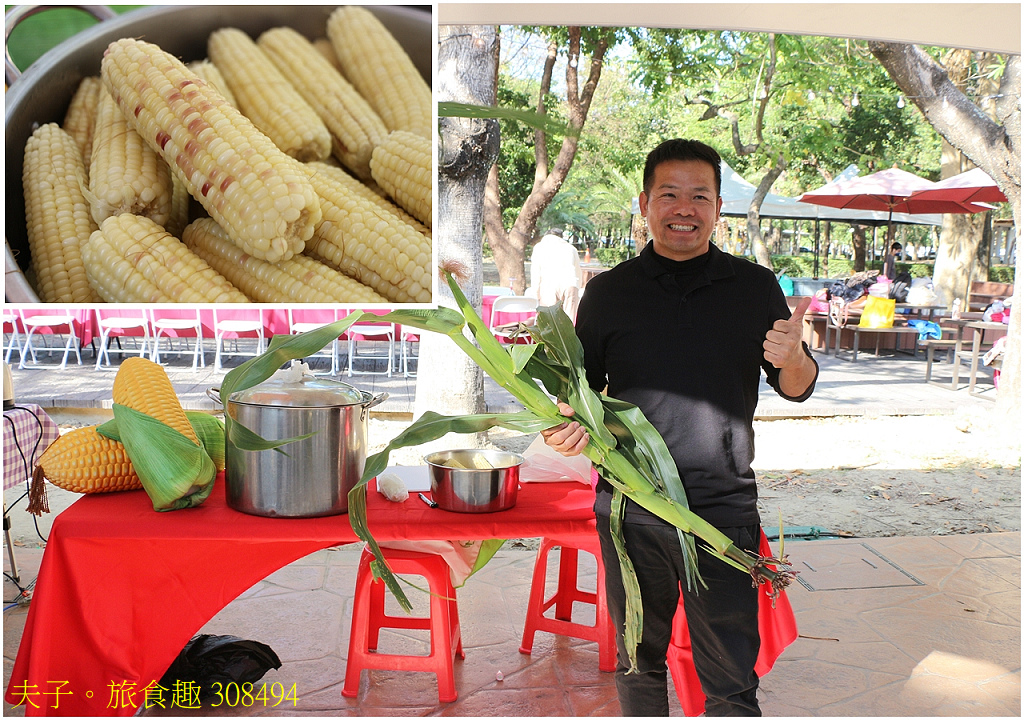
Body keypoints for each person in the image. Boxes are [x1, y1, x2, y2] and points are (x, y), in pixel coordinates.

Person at [541, 139, 819, 716]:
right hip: (631, 506)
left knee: (731, 673)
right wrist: (563, 427)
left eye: (700, 196)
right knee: (638, 660)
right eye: (670, 194)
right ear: (645, 203)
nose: (684, 208)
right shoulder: (609, 293)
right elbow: (577, 397)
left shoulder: (755, 287)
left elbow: (795, 385)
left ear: (719, 209)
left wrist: (794, 359)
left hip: (722, 506)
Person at [529, 227, 584, 322]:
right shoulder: (571, 248)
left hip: (549, 285)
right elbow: (578, 272)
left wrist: (536, 294)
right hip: (571, 284)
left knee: (549, 323)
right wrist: (577, 290)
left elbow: (536, 273)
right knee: (569, 323)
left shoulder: (540, 247)